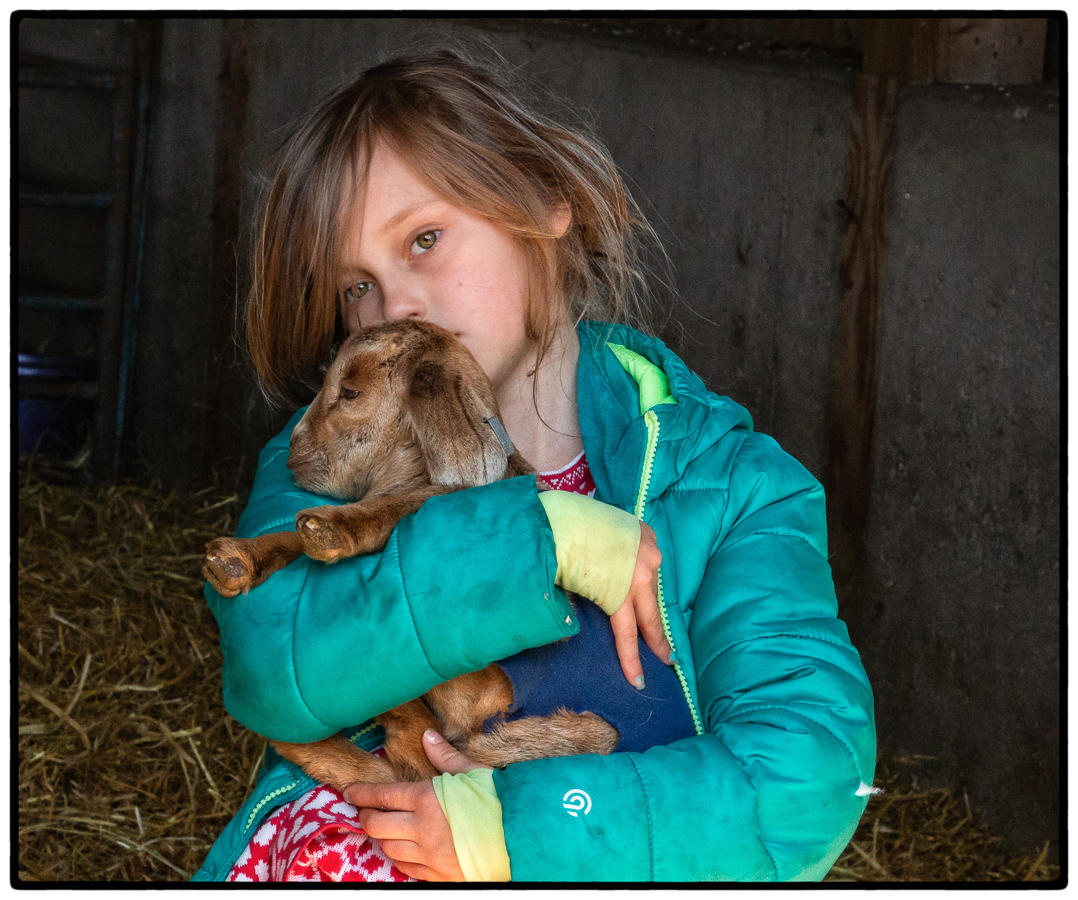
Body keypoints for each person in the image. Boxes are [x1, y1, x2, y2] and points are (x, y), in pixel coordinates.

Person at [193, 49, 876, 883]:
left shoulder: (732, 487)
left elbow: (812, 775)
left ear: (543, 203)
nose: (394, 306)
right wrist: (537, 542)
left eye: (426, 239)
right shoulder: (334, 461)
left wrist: (514, 832)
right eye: (355, 288)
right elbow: (272, 666)